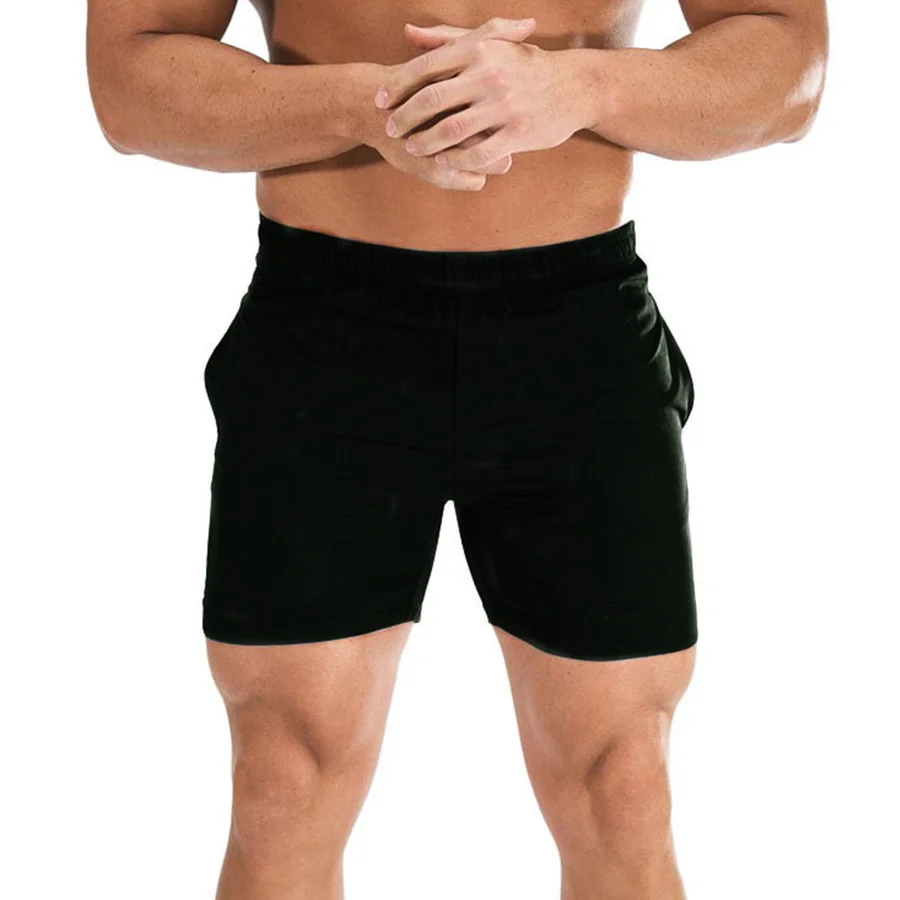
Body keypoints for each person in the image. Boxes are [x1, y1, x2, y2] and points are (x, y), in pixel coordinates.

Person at [85, 1, 828, 897]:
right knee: (284, 783)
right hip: (327, 334)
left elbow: (790, 65)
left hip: (576, 336)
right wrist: (364, 106)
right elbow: (127, 81)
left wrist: (582, 86)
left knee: (622, 789)